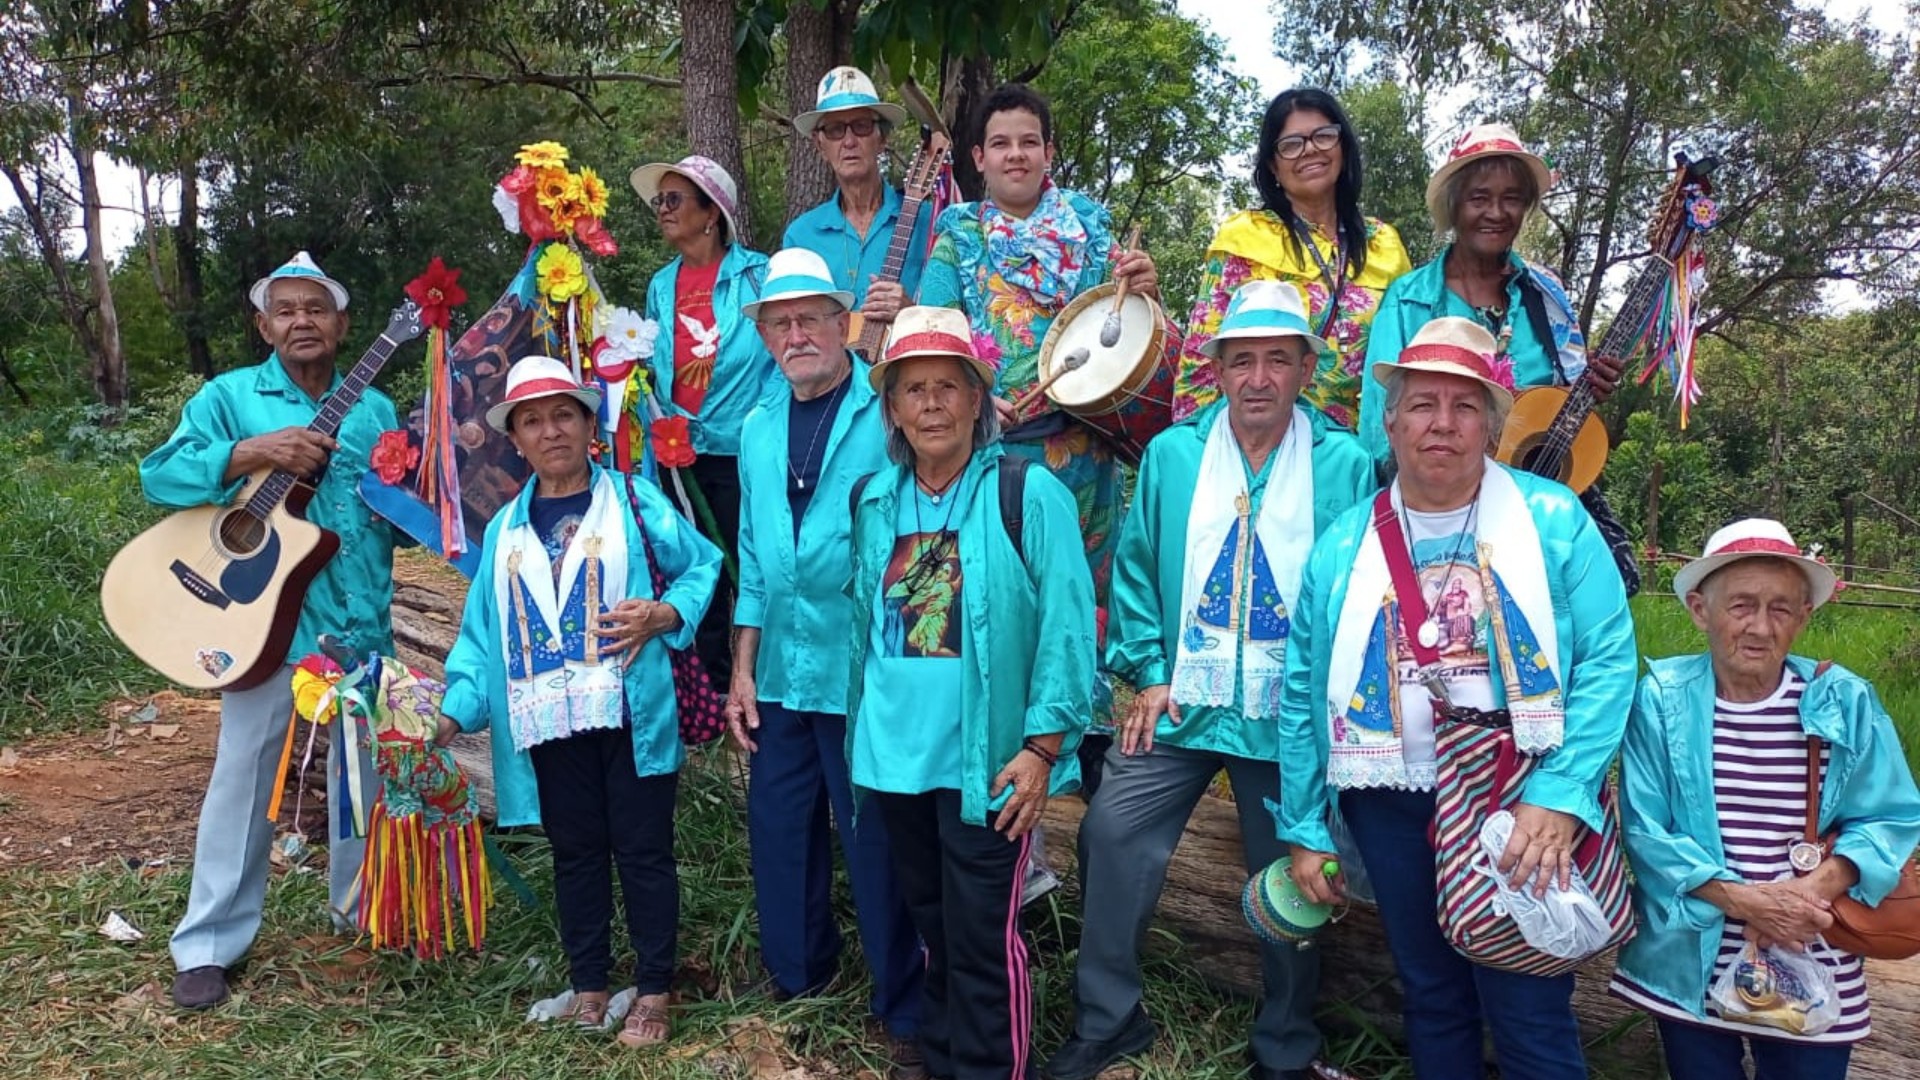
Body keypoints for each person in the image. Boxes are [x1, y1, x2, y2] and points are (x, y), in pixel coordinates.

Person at [1275, 317, 1638, 1078]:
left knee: (1528, 1002)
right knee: (1431, 993)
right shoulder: (1344, 544)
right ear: (1390, 420)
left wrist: (1562, 792)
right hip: (1391, 800)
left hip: (1519, 798)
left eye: (1464, 405)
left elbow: (1609, 658)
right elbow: (1305, 687)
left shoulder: (1552, 521)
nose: (1442, 423)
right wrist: (1307, 824)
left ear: (1493, 424)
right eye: (1422, 404)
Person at [1048, 282, 1372, 1080]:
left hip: (1286, 715)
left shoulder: (1343, 463)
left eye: (1277, 360)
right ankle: (1109, 1017)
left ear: (1304, 370)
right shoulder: (1174, 455)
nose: (1258, 378)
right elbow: (1132, 570)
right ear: (1218, 371)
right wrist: (1151, 675)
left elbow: (1362, 597)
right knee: (1110, 831)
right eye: (1242, 361)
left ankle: (1287, 1043)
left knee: (1300, 868)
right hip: (1183, 704)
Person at [435, 356, 721, 1046]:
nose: (551, 430)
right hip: (547, 722)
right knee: (576, 852)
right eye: (532, 420)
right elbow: (481, 641)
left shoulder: (633, 499)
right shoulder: (503, 530)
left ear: (589, 424)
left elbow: (701, 563)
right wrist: (449, 713)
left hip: (632, 711)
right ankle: (590, 986)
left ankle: (653, 991)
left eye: (564, 414)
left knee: (644, 849)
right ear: (517, 439)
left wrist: (665, 614)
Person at [140, 251, 399, 1010]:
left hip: (361, 624)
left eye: (315, 308)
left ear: (343, 324)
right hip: (265, 629)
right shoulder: (229, 397)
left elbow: (395, 519)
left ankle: (362, 918)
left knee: (365, 782)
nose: (301, 321)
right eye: (285, 309)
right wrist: (256, 450)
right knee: (243, 780)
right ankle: (209, 944)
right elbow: (162, 475)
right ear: (263, 325)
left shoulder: (376, 410)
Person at [846, 306, 1096, 1080]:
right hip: (895, 760)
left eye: (947, 386)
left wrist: (1041, 748)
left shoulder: (1027, 491)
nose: (930, 403)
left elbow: (1068, 626)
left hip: (985, 763)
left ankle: (992, 1067)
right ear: (891, 407)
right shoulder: (875, 501)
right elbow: (862, 628)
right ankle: (947, 1054)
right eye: (912, 388)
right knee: (934, 927)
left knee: (985, 938)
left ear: (978, 398)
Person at [1610, 518, 1920, 1078]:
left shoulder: (1843, 699)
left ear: (1804, 616)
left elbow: (1892, 815)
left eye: (1781, 608)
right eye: (1741, 605)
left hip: (1814, 957)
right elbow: (1645, 830)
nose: (1760, 626)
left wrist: (1804, 896)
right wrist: (1748, 903)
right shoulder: (1661, 700)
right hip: (1692, 964)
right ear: (1701, 610)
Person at [726, 248, 926, 1078]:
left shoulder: (884, 410)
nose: (797, 333)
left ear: (842, 323)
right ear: (767, 334)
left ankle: (906, 1008)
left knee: (873, 835)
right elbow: (751, 553)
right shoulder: (757, 426)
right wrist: (741, 666)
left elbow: (921, 529)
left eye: (811, 317)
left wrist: (910, 664)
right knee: (778, 828)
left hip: (863, 667)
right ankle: (797, 979)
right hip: (780, 673)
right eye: (782, 321)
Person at [918, 81, 1170, 636]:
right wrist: (979, 400)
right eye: (1001, 144)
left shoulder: (1091, 225)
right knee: (994, 601)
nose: (1016, 155)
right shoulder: (959, 233)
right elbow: (933, 334)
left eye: (1029, 142)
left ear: (1049, 153)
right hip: (991, 453)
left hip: (1086, 456)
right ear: (979, 158)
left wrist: (1146, 293)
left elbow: (1122, 326)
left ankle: (1084, 718)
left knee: (1081, 604)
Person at [1355, 122, 1640, 592]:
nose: (1496, 212)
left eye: (1511, 198)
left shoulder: (1546, 295)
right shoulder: (1408, 299)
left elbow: (1565, 404)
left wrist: (1591, 390)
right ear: (1454, 206)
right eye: (1479, 197)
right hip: (1436, 501)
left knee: (1601, 587)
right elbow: (1378, 426)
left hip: (1537, 503)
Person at [1173, 88, 1412, 431]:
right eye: (1291, 144)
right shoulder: (1245, 236)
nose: (1310, 149)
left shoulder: (1384, 245)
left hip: (1364, 454)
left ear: (1343, 146)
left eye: (1324, 136)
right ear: (1272, 164)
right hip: (1262, 446)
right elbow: (1200, 366)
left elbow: (1406, 359)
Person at [632, 153, 773, 684]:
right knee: (697, 575)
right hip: (678, 457)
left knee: (751, 571)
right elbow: (652, 363)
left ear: (711, 212)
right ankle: (710, 702)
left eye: (674, 200)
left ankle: (760, 686)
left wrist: (765, 425)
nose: (662, 210)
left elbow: (780, 358)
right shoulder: (660, 287)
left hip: (743, 451)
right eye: (658, 202)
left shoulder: (757, 275)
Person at [782, 65, 933, 338]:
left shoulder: (928, 221)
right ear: (819, 145)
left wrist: (912, 311)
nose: (849, 141)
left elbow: (952, 315)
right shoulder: (801, 236)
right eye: (835, 130)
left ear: (882, 138)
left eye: (861, 127)